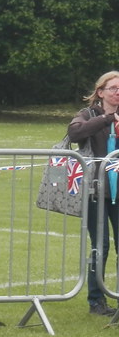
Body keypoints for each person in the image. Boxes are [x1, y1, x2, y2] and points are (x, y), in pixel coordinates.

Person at [67, 71, 119, 317]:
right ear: (100, 92)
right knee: (101, 246)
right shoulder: (89, 115)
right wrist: (107, 119)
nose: (117, 92)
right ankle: (96, 302)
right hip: (95, 192)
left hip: (118, 193)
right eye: (113, 88)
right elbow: (75, 133)